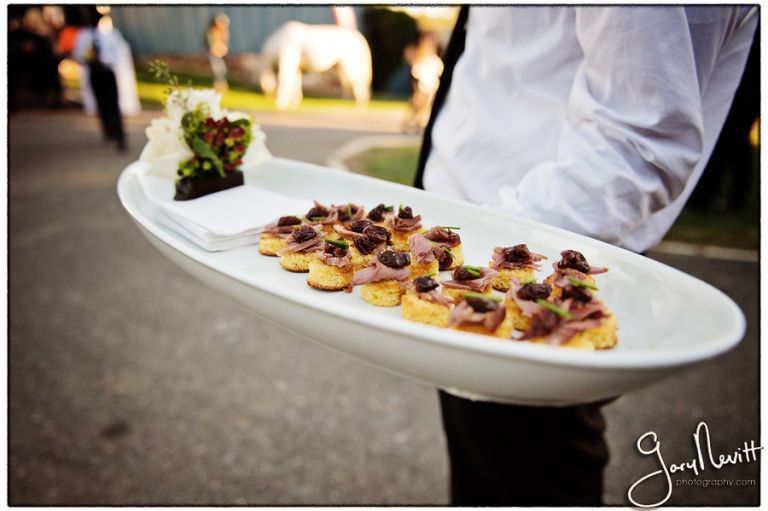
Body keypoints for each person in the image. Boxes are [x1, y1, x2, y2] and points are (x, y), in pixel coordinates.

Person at [415, 6, 758, 506]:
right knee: (480, 460)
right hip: (466, 235)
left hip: (532, 254)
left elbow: (639, 138)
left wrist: (493, 270)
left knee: (526, 469)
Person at [205, 14, 230, 92]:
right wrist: (215, 49)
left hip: (220, 54)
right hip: (214, 54)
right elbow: (210, 44)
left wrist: (222, 49)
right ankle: (219, 85)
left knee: (222, 70)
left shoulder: (223, 32)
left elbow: (224, 43)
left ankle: (221, 85)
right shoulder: (211, 31)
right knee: (218, 69)